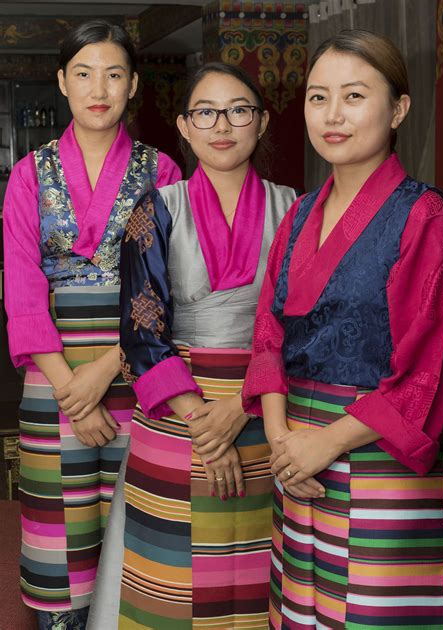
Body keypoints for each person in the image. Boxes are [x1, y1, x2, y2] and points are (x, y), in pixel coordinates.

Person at [242, 30, 443, 630]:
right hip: (296, 454)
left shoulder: (424, 216)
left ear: (398, 108)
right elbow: (267, 333)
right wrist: (282, 439)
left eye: (354, 96)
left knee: (376, 614)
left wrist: (326, 442)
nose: (333, 115)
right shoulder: (297, 215)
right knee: (302, 606)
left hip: (376, 455)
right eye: (319, 98)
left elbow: (430, 366)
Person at [3, 20, 181, 629]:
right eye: (83, 73)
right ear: (61, 82)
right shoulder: (30, 173)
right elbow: (23, 290)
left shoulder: (162, 174)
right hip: (54, 378)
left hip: (140, 368)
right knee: (62, 519)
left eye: (113, 73)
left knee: (140, 513)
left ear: (133, 85)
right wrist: (72, 392)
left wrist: (109, 367)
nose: (98, 87)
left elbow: (166, 289)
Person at [118, 61, 297, 628]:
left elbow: (306, 327)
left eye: (239, 110)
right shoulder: (155, 209)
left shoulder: (297, 209)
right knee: (171, 588)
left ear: (262, 122)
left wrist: (239, 405)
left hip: (268, 412)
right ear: (184, 126)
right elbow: (140, 330)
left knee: (265, 583)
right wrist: (206, 426)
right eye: (206, 112)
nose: (223, 125)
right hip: (179, 417)